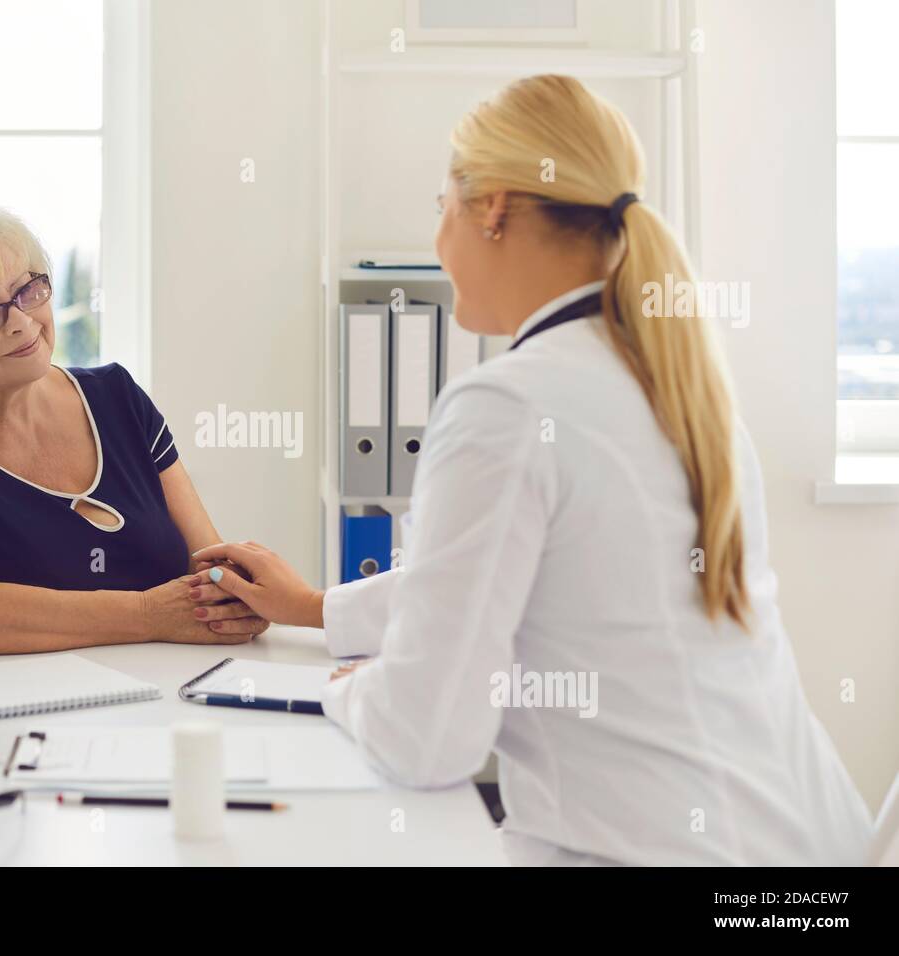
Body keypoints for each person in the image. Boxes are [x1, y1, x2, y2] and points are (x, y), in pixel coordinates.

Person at [188, 75, 873, 865]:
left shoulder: (508, 406)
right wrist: (315, 606)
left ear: (494, 208)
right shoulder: (682, 391)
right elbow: (523, 578)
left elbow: (426, 739)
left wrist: (348, 690)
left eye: (440, 204)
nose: (439, 237)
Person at [0, 201, 265, 654]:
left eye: (27, 291)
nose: (22, 324)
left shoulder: (117, 396)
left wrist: (241, 593)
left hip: (169, 697)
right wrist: (147, 614)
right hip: (9, 713)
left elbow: (207, 571)